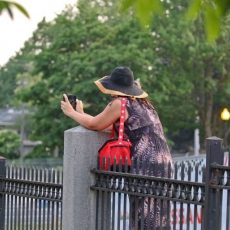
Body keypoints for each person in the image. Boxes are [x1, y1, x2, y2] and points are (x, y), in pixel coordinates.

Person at [61, 66, 173, 229]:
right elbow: (104, 124)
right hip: (163, 162)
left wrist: (71, 113)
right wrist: (81, 113)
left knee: (143, 215)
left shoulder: (120, 102)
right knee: (159, 216)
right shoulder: (143, 104)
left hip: (144, 165)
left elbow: (95, 124)